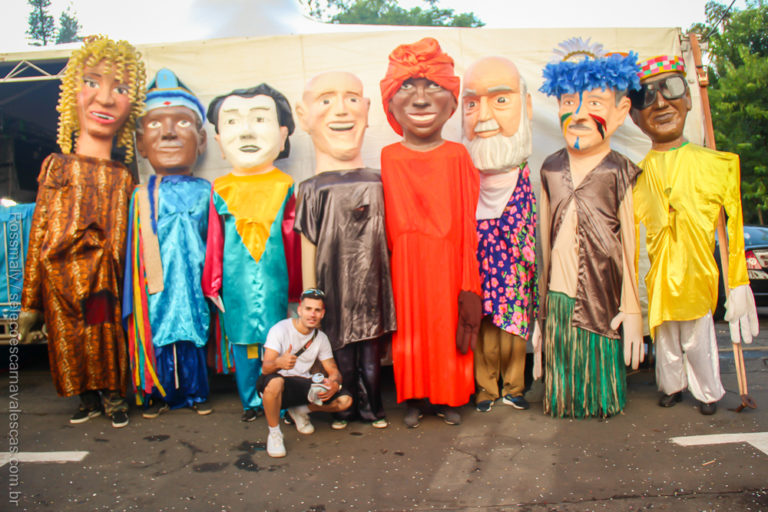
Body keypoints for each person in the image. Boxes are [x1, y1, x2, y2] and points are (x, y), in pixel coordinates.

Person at [18, 36, 146, 428]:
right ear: (71, 92)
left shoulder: (123, 176)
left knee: (104, 333)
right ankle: (85, 398)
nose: (105, 98)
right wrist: (30, 301)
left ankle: (111, 396)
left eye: (121, 88)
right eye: (92, 82)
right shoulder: (56, 165)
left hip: (104, 278)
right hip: (58, 278)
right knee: (67, 340)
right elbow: (40, 230)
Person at [630, 55, 758, 415]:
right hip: (659, 278)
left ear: (687, 99)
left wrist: (738, 282)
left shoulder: (715, 165)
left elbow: (731, 230)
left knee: (699, 338)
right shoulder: (634, 177)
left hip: (698, 274)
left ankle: (707, 391)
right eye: (646, 96)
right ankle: (672, 386)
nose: (660, 103)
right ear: (634, 116)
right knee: (665, 336)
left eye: (670, 89)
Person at [533, 38, 644, 418]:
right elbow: (542, 245)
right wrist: (541, 313)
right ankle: (565, 399)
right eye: (568, 103)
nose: (578, 114)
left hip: (603, 292)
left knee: (598, 358)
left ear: (620, 111)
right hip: (559, 295)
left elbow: (630, 246)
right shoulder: (549, 168)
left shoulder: (619, 170)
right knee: (564, 359)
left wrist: (632, 310)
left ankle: (600, 400)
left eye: (593, 104)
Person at [380, 37, 482, 427]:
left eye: (432, 87)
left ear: (452, 103)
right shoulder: (389, 156)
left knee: (445, 328)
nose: (421, 99)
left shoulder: (457, 155)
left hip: (448, 259)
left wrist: (467, 275)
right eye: (408, 87)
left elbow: (466, 217)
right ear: (390, 103)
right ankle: (414, 397)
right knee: (411, 331)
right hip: (405, 262)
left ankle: (448, 397)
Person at [294, 71, 396, 430]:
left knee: (369, 356)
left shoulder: (379, 180)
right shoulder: (311, 188)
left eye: (352, 98)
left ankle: (372, 409)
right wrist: (310, 298)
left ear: (367, 110)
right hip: (333, 289)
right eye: (325, 100)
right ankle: (344, 407)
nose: (340, 110)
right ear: (302, 114)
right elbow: (308, 243)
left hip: (371, 287)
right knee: (338, 357)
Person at [203, 84, 302, 422]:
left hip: (276, 279)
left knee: (281, 345)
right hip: (237, 283)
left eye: (260, 119)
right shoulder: (221, 188)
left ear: (283, 133)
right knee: (245, 345)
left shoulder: (285, 184)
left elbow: (292, 238)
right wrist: (212, 284)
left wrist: (297, 288)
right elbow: (215, 239)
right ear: (218, 139)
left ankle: (281, 399)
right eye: (231, 123)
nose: (246, 131)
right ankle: (251, 401)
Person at [123, 68, 213, 418]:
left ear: (202, 141)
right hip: (154, 286)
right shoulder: (140, 195)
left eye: (183, 123)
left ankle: (195, 393)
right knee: (158, 333)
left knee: (192, 332)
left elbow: (216, 242)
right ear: (141, 144)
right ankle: (159, 394)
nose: (170, 132)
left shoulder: (207, 192)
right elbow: (132, 253)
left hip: (194, 282)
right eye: (156, 125)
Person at [461, 56, 538, 413]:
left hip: (515, 271)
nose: (484, 115)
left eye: (501, 99)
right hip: (480, 271)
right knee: (484, 330)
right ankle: (486, 389)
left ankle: (514, 386)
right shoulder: (465, 179)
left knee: (514, 329)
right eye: (472, 103)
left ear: (527, 106)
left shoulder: (527, 178)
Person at [258, 288, 352, 458]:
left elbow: (333, 370)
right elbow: (265, 368)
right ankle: (274, 433)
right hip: (281, 384)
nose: (312, 314)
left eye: (317, 310)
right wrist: (280, 362)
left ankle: (300, 411)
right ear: (299, 310)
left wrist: (334, 383)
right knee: (275, 382)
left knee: (345, 400)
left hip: (303, 385)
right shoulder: (280, 329)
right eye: (308, 309)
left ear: (322, 313)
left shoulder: (321, 337)